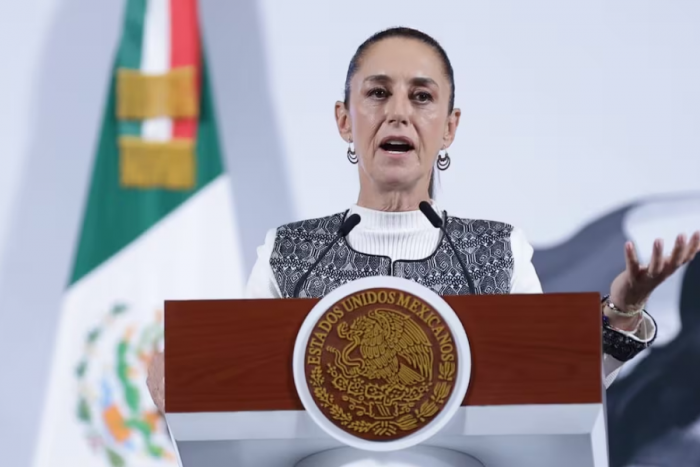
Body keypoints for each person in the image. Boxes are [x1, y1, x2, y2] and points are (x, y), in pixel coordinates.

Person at [147, 26, 700, 413]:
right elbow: (246, 400)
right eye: (377, 93)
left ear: (449, 127)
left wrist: (624, 309)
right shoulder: (290, 253)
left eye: (421, 97)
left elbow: (553, 388)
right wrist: (189, 393)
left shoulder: (496, 252)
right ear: (345, 120)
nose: (398, 112)